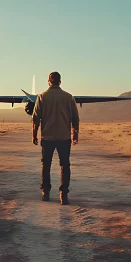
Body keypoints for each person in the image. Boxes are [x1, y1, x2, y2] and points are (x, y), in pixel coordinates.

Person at [32, 72, 79, 205]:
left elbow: (36, 119)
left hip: (47, 137)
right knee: (65, 165)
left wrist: (34, 135)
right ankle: (63, 195)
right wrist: (75, 134)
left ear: (49, 81)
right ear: (60, 81)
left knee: (46, 165)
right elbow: (75, 118)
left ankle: (45, 192)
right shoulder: (69, 97)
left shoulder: (42, 97)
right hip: (64, 138)